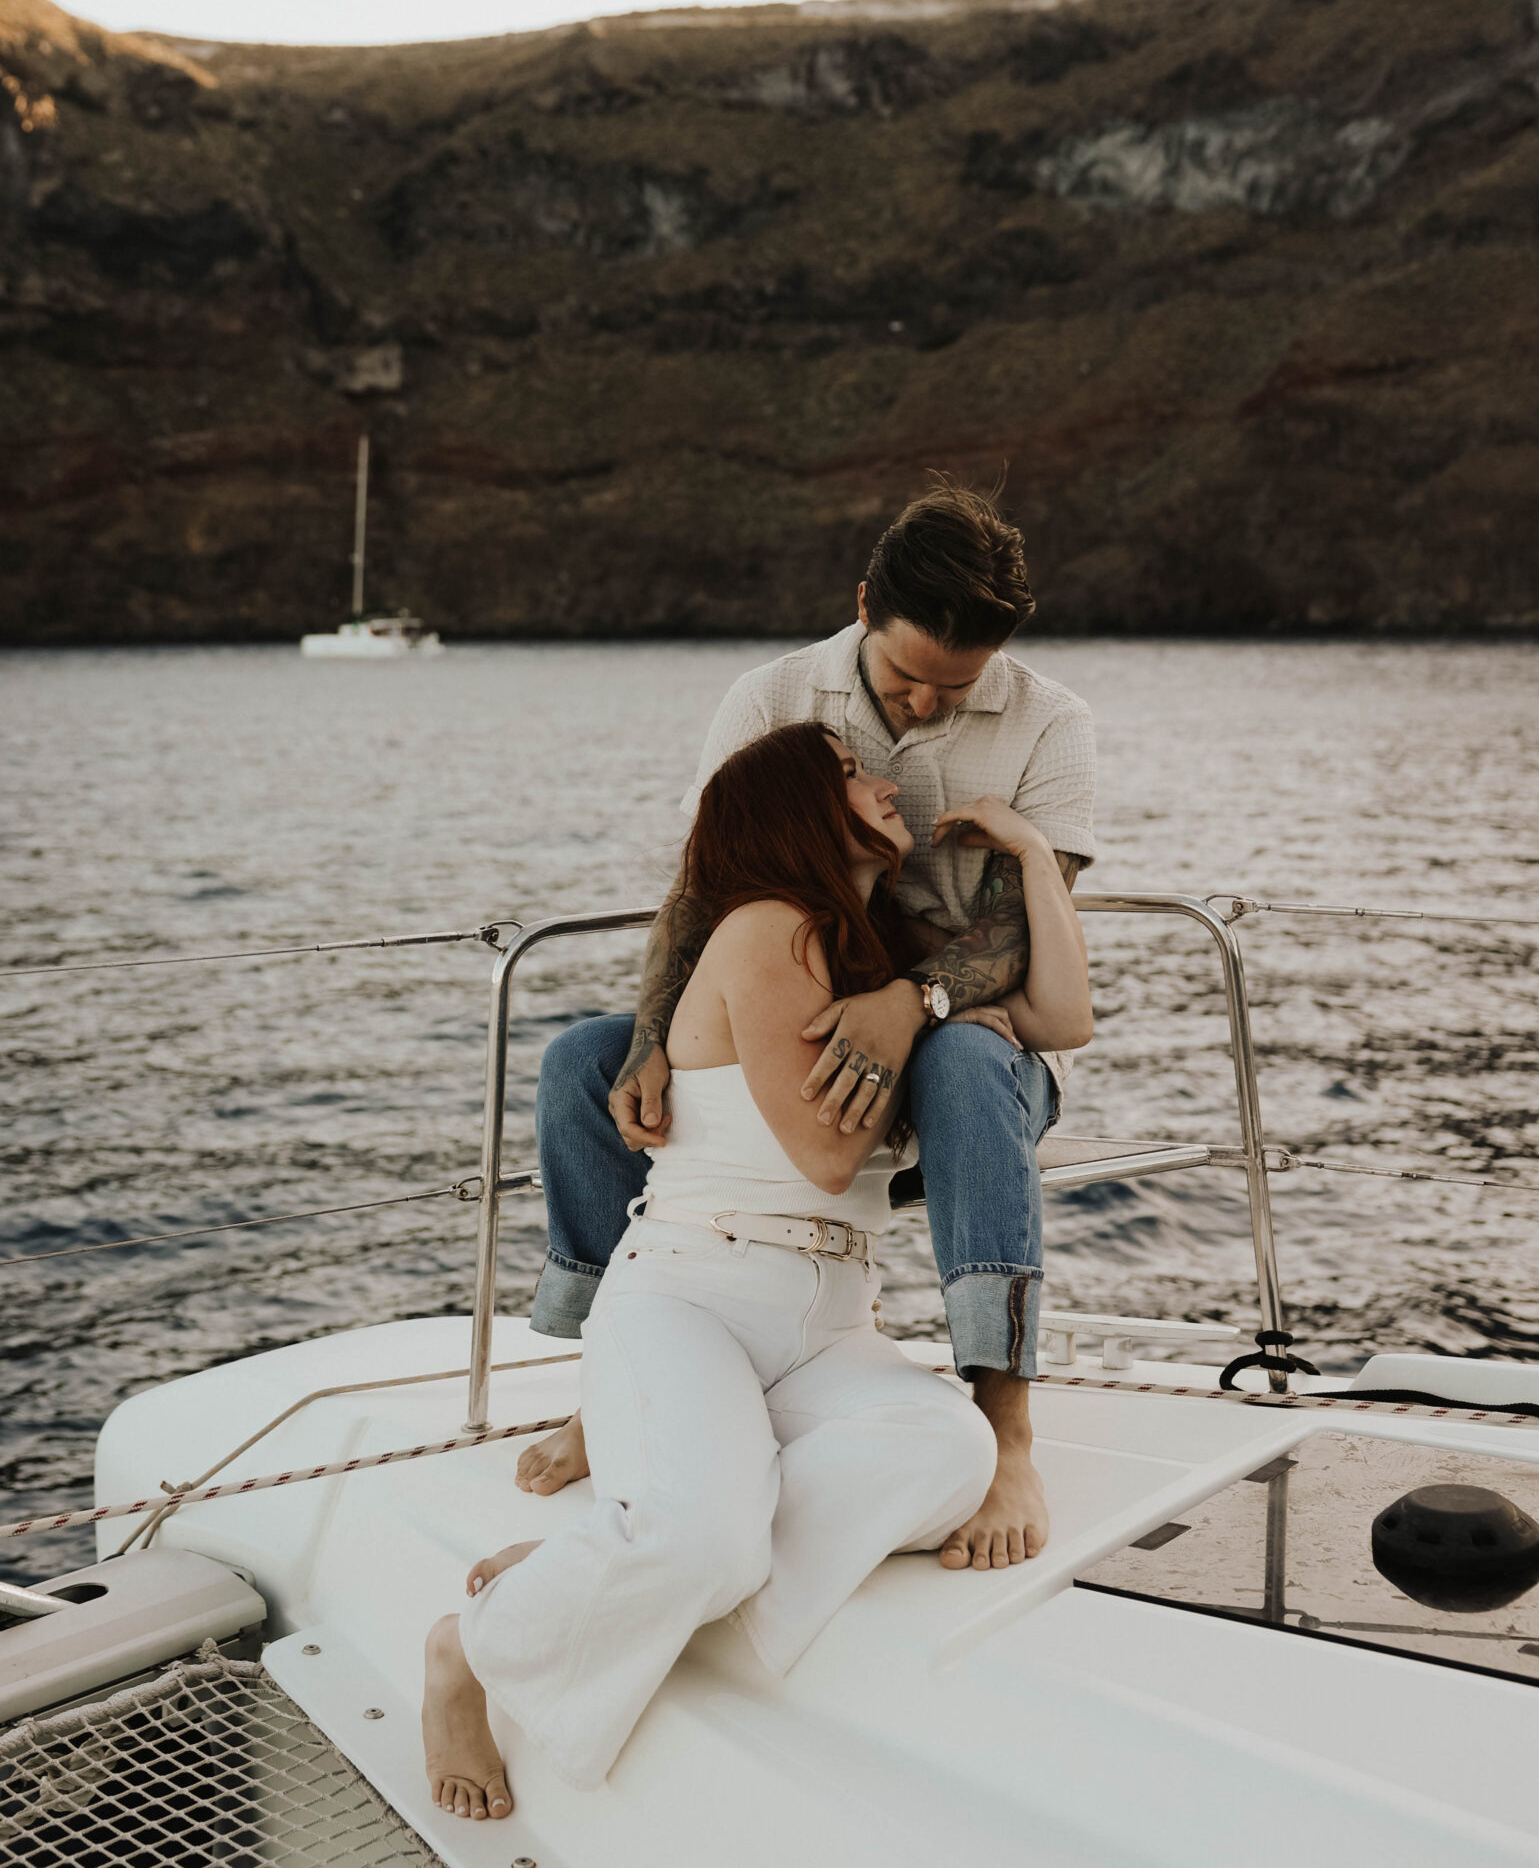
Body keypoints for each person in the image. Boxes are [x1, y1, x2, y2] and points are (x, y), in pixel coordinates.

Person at [422, 722, 1092, 1819]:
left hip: (828, 1321)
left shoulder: (878, 953)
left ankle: (594, 1571)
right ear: (797, 815)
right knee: (708, 1534)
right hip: (694, 1292)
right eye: (850, 776)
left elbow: (1066, 1017)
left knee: (953, 1450)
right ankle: (472, 1652)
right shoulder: (769, 932)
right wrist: (918, 1001)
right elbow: (828, 1158)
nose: (888, 785)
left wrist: (1019, 849)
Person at [520, 480, 1096, 1570]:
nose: (923, 710)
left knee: (972, 1060)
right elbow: (702, 888)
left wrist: (909, 999)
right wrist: (651, 1037)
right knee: (578, 1061)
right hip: (809, 1005)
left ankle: (1006, 1420)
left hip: (964, 1033)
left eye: (954, 689)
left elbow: (1026, 935)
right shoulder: (772, 695)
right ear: (865, 603)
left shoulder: (1053, 726)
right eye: (903, 679)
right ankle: (612, 1383)